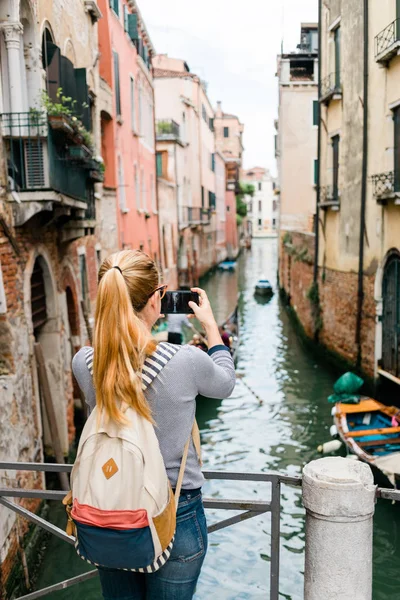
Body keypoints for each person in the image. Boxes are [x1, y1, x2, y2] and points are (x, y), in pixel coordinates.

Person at [72, 249, 236, 600]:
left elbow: (121, 357)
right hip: (176, 516)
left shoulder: (84, 362)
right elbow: (225, 382)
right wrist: (210, 326)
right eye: (160, 291)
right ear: (153, 300)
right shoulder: (186, 361)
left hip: (110, 513)